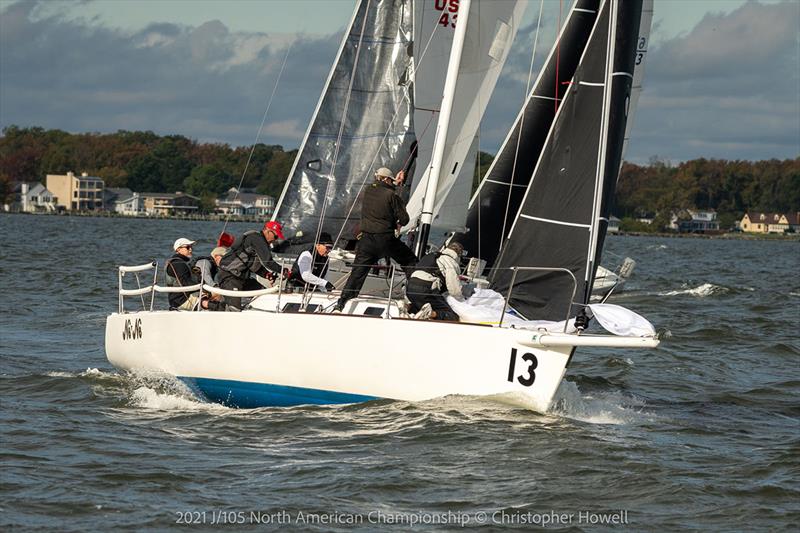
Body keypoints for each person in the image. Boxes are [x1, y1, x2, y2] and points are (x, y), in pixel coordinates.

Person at [334, 167, 417, 312]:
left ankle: (341, 303)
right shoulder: (392, 195)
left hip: (366, 240)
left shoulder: (368, 191)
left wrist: (396, 184)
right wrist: (398, 190)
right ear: (386, 179)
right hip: (385, 239)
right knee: (410, 262)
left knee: (358, 273)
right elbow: (404, 219)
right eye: (390, 180)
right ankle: (418, 297)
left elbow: (382, 190)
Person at [217, 221, 287, 309]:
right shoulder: (257, 239)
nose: (275, 239)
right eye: (275, 236)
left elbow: (253, 266)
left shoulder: (259, 242)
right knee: (234, 309)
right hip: (229, 277)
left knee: (265, 294)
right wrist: (284, 271)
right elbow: (268, 262)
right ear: (268, 231)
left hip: (241, 278)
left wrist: (266, 274)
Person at [406, 241, 464, 321]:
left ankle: (406, 307)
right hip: (426, 288)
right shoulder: (451, 261)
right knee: (452, 316)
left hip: (410, 287)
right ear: (459, 254)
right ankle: (430, 313)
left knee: (421, 306)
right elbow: (454, 288)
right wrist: (462, 302)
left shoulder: (432, 256)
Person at [165, 237, 201, 311]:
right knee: (215, 300)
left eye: (191, 247)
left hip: (175, 300)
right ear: (178, 249)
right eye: (188, 247)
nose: (191, 249)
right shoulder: (179, 264)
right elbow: (186, 283)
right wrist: (204, 287)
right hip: (183, 300)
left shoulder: (175, 262)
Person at [193, 246, 228, 311]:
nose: (225, 261)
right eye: (224, 258)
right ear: (217, 257)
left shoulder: (214, 265)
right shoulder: (205, 262)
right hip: (195, 291)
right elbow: (205, 275)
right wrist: (214, 286)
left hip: (203, 289)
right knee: (219, 293)